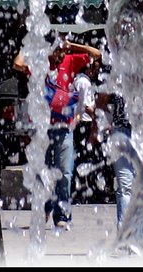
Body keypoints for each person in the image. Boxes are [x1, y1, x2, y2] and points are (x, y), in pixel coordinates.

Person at [44, 37, 101, 230]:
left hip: (65, 128)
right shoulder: (40, 63)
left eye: (62, 50)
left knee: (65, 173)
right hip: (44, 129)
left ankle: (62, 215)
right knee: (45, 173)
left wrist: (71, 45)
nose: (60, 54)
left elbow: (96, 54)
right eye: (57, 50)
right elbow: (18, 64)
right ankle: (46, 205)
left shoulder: (69, 60)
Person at [96, 82, 134, 225]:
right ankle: (128, 235)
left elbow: (101, 100)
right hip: (125, 132)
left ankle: (130, 236)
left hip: (142, 134)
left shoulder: (120, 71)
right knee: (127, 186)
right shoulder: (118, 72)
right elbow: (101, 99)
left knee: (131, 187)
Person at [72, 56, 99, 202]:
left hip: (83, 121)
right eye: (94, 68)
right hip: (84, 122)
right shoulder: (84, 82)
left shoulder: (80, 80)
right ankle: (82, 189)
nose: (96, 72)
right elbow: (85, 105)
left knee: (81, 155)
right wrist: (97, 116)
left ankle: (81, 187)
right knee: (84, 156)